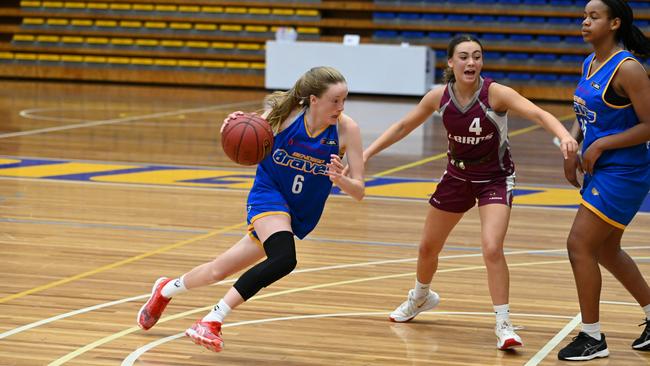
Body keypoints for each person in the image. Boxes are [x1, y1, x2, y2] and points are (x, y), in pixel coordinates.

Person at [362, 34, 578, 350]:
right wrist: (367, 154)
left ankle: (503, 324)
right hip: (457, 176)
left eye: (476, 56)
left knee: (492, 247)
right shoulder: (438, 97)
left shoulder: (496, 94)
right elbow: (402, 127)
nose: (471, 62)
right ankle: (421, 297)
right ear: (450, 63)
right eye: (463, 56)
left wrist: (564, 137)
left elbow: (539, 114)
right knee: (427, 248)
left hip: (495, 178)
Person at [136, 66, 365, 352]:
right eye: (335, 100)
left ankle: (166, 289)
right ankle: (212, 319)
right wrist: (230, 124)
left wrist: (342, 180)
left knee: (217, 271)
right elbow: (241, 129)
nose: (341, 107)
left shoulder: (347, 131)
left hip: (298, 213)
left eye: (345, 99)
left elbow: (360, 191)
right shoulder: (284, 118)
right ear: (313, 99)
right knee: (284, 259)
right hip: (268, 196)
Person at [557, 0, 650, 361]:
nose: (584, 22)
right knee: (607, 250)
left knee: (578, 245)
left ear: (613, 23)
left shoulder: (629, 70)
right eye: (583, 16)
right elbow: (584, 112)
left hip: (625, 172)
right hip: (604, 169)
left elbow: (648, 125)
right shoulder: (590, 63)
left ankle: (592, 337)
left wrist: (602, 145)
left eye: (593, 17)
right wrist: (573, 144)